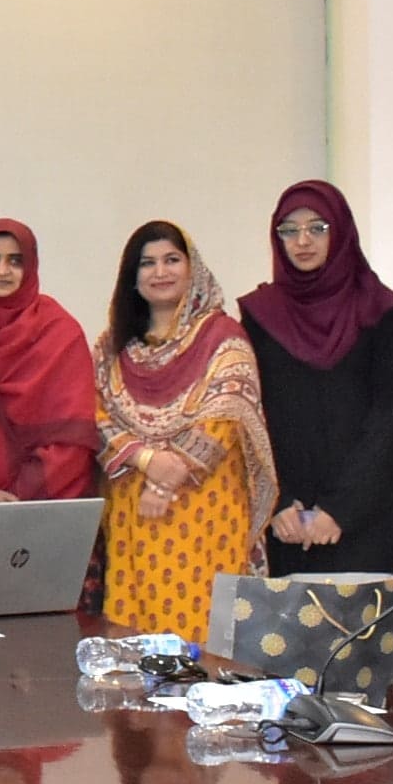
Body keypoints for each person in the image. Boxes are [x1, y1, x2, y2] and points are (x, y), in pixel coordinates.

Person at [93, 223, 277, 642]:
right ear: (132, 277)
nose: (160, 272)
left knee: (203, 635)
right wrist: (148, 461)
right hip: (132, 513)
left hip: (206, 509)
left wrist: (167, 479)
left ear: (192, 268)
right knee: (133, 636)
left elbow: (227, 411)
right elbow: (96, 415)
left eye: (172, 260)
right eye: (148, 263)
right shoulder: (111, 347)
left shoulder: (222, 337)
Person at [235, 181, 393, 577]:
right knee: (287, 638)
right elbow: (249, 417)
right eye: (289, 230)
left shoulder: (385, 313)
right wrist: (279, 501)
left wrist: (340, 509)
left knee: (367, 636)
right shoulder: (260, 317)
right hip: (288, 523)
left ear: (341, 231)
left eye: (317, 227)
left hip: (369, 523)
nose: (303, 241)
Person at [0, 219, 98, 506]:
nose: (1, 271)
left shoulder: (59, 331)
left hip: (48, 501)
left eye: (15, 261)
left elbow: (73, 436)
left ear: (30, 267)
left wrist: (21, 497)